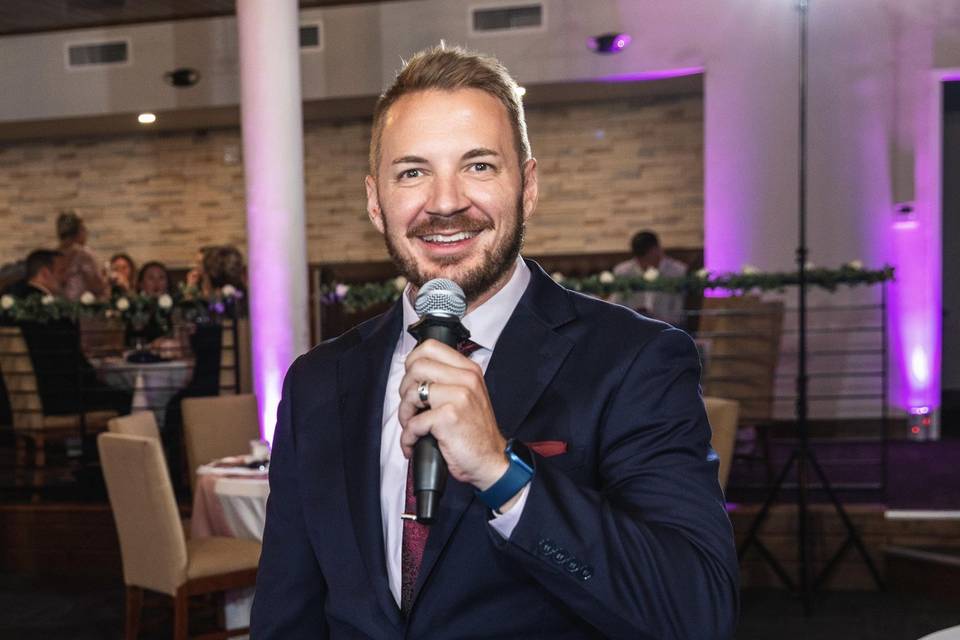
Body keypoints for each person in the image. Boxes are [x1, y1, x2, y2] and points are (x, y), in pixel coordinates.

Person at [252, 45, 737, 639]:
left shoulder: (635, 360)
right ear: (375, 201)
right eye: (412, 171)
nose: (447, 201)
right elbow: (287, 613)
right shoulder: (316, 382)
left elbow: (696, 611)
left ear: (527, 186)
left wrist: (500, 471)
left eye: (479, 166)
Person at [15, 249, 131, 417]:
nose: (67, 278)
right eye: (62, 272)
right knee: (125, 399)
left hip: (24, 400)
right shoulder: (48, 312)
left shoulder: (16, 302)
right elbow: (67, 358)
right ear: (45, 273)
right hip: (59, 396)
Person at [613, 230, 689, 327]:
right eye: (639, 258)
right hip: (631, 327)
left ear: (657, 249)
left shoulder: (677, 271)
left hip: (668, 328)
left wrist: (655, 319)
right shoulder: (623, 271)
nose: (643, 263)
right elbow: (617, 304)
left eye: (646, 257)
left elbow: (678, 312)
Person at [56, 211, 108, 301]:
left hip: (59, 305)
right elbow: (96, 285)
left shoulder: (54, 253)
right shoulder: (83, 253)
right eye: (84, 230)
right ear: (79, 231)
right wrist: (107, 278)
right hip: (79, 306)